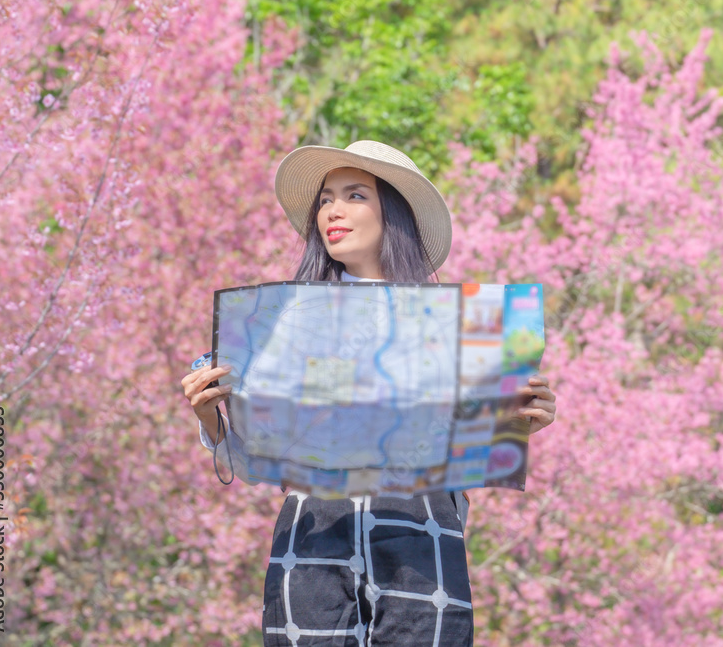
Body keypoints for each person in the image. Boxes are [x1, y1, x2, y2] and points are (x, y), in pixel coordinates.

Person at [180, 140, 557, 646]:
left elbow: (470, 458)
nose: (333, 210)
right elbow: (255, 462)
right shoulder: (284, 322)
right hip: (313, 531)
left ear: (393, 214)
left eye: (355, 195)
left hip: (420, 527)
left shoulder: (459, 328)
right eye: (325, 199)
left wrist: (516, 421)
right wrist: (214, 422)